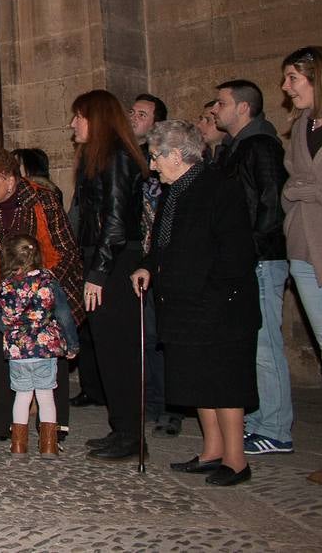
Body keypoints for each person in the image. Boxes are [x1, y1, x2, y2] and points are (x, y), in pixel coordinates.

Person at [132, 119, 260, 487]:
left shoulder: (220, 188)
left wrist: (209, 292)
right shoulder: (176, 191)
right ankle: (212, 451)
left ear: (176, 155)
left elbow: (235, 254)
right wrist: (147, 267)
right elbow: (161, 243)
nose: (153, 165)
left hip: (219, 305)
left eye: (156, 157)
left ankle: (236, 460)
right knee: (198, 380)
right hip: (186, 303)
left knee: (224, 382)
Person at [0, 149, 83, 447]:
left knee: (51, 359)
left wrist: (40, 285)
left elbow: (67, 248)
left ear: (9, 179)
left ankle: (54, 429)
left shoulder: (42, 200)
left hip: (48, 286)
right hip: (8, 295)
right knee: (4, 352)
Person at [212, 79, 292, 456]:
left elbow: (271, 204)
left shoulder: (261, 146)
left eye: (222, 102)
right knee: (248, 344)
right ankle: (259, 422)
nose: (215, 109)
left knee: (265, 345)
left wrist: (250, 250)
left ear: (244, 108)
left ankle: (276, 428)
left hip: (260, 258)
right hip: (243, 259)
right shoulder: (234, 148)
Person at [69, 89, 149, 461]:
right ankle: (121, 427)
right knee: (106, 348)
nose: (73, 124)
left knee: (119, 350)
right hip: (101, 258)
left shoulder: (116, 156)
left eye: (78, 116)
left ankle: (131, 434)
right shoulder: (97, 157)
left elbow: (116, 223)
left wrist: (98, 272)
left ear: (96, 118)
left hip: (114, 263)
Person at [281, 45, 322, 488]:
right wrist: (301, 192)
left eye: (292, 79)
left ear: (315, 76)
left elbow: (313, 183)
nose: (286, 89)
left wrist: (315, 189)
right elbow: (291, 181)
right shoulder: (301, 125)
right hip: (304, 244)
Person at [0, 234, 79, 459]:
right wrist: (72, 343)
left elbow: (1, 321)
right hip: (44, 348)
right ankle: (49, 445)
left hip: (18, 352)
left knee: (21, 396)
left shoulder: (4, 286)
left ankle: (18, 446)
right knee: (45, 396)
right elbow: (63, 314)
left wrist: (15, 335)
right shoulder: (47, 280)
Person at [130, 92, 182, 438]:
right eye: (131, 112)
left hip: (169, 260)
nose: (134, 117)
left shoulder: (171, 164)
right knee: (145, 336)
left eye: (142, 114)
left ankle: (171, 407)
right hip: (141, 260)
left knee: (167, 337)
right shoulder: (133, 160)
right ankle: (149, 402)